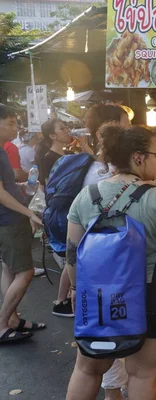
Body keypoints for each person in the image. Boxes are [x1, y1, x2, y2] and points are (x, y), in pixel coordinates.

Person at [65, 124, 156, 400]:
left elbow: (73, 253)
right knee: (143, 373)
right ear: (138, 157)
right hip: (150, 292)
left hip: (98, 295)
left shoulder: (87, 196)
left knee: (87, 369)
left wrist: (76, 289)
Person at [0, 105, 45, 345]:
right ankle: (2, 323)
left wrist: (24, 190)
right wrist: (29, 212)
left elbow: (7, 188)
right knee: (25, 272)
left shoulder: (3, 151)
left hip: (10, 218)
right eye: (10, 123)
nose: (15, 128)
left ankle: (12, 320)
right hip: (7, 220)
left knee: (9, 269)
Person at [35, 119, 93, 189]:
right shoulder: (49, 158)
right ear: (53, 136)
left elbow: (93, 158)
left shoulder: (69, 153)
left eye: (66, 127)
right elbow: (50, 185)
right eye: (62, 129)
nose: (67, 130)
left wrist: (81, 142)